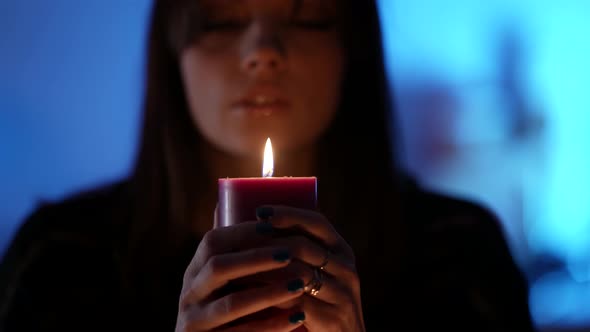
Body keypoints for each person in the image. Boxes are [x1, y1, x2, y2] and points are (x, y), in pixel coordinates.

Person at [0, 0, 536, 331]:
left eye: (306, 17)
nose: (262, 51)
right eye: (220, 20)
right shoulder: (60, 261)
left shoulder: (459, 258)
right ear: (172, 54)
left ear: (352, 48)